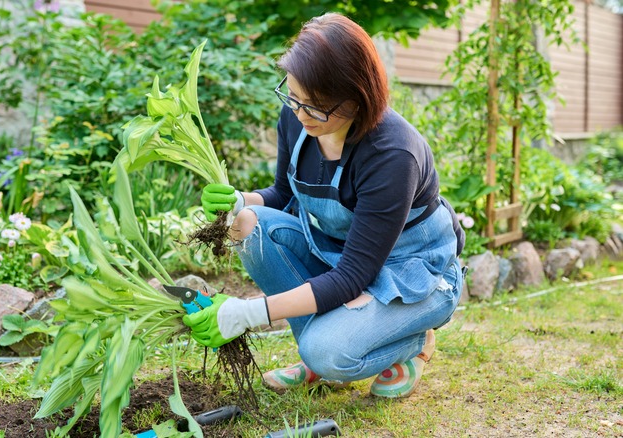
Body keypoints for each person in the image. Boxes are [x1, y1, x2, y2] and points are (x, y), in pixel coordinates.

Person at [183, 12, 466, 398]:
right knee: (247, 224)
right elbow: (283, 194)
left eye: (317, 106)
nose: (301, 114)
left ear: (358, 96)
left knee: (329, 353)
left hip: (412, 275)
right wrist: (239, 199)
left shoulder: (393, 155)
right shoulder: (297, 115)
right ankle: (312, 355)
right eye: (295, 98)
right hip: (342, 258)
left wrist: (246, 313)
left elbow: (353, 277)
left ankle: (414, 342)